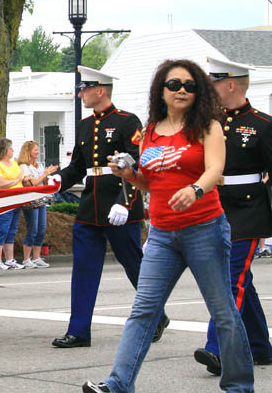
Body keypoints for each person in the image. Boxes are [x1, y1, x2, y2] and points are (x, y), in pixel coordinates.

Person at [83, 59, 254, 393]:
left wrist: (195, 190)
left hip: (205, 228)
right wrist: (130, 175)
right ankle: (118, 384)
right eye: (174, 85)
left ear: (199, 91)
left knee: (223, 312)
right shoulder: (150, 131)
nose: (182, 91)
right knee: (143, 311)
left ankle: (239, 386)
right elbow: (151, 182)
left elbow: (215, 170)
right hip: (162, 234)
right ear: (161, 90)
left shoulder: (208, 126)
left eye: (190, 85)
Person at [52, 66, 168, 349]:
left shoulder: (128, 122)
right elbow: (79, 168)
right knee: (83, 269)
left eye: (85, 89)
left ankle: (156, 316)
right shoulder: (83, 125)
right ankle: (78, 330)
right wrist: (57, 181)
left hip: (119, 204)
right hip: (90, 205)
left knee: (134, 266)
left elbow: (136, 164)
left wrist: (126, 203)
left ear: (100, 90)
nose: (81, 93)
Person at [192, 57, 272, 374]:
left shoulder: (263, 126)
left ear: (230, 84)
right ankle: (260, 347)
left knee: (229, 281)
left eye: (213, 83)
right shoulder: (207, 124)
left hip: (249, 211)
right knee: (241, 281)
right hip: (215, 209)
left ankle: (218, 349)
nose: (207, 90)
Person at [0, 137, 29, 270]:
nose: (13, 150)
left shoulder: (14, 164)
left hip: (16, 201)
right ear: (4, 150)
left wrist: (25, 179)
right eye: (10, 148)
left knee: (11, 231)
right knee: (1, 229)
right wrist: (16, 180)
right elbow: (1, 183)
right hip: (2, 202)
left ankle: (10, 259)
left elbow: (20, 180)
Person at [17, 140, 58, 268]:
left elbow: (42, 183)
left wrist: (47, 176)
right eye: (35, 149)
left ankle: (36, 257)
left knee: (41, 229)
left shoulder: (38, 165)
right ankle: (26, 259)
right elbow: (31, 184)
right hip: (31, 201)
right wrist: (44, 175)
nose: (38, 152)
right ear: (28, 151)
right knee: (32, 229)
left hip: (41, 199)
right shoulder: (24, 167)